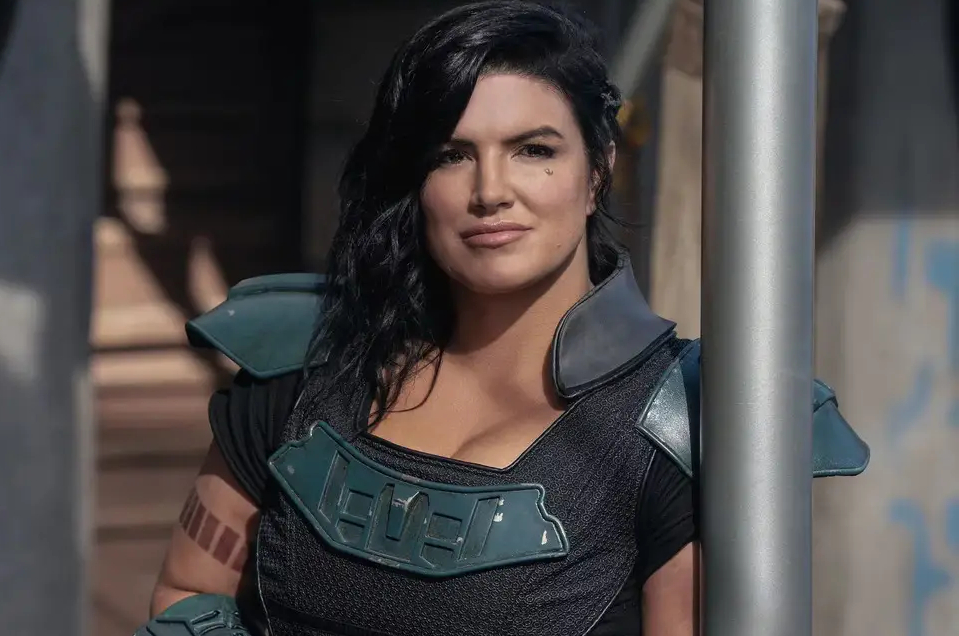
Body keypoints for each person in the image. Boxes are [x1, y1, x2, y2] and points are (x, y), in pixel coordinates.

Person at [137, 2, 868, 635]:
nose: (491, 191)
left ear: (596, 170)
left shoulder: (688, 427)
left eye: (533, 150)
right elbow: (187, 597)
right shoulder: (307, 364)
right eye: (453, 155)